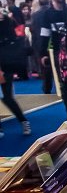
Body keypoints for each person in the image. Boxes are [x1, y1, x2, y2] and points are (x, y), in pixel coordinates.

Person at [0, 8, 31, 137]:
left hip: (4, 63)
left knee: (7, 97)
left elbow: (12, 37)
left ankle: (23, 121)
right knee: (7, 96)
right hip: (5, 62)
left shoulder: (6, 21)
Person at [30, 0, 52, 93]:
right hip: (52, 41)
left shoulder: (35, 15)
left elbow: (33, 30)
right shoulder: (52, 12)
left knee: (45, 67)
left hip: (39, 42)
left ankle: (46, 88)